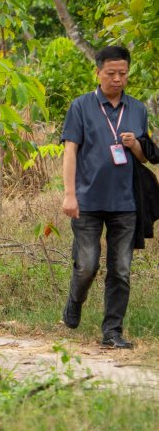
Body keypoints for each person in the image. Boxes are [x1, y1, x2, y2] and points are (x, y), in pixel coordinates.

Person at [61, 45, 147, 349]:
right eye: (111, 73)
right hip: (87, 201)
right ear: (98, 73)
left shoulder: (137, 109)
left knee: (121, 270)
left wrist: (135, 145)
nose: (117, 79)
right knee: (87, 265)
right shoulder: (81, 106)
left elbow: (145, 157)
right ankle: (75, 300)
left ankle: (112, 331)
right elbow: (70, 151)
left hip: (126, 203)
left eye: (123, 73)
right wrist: (69, 194)